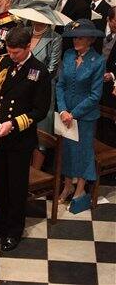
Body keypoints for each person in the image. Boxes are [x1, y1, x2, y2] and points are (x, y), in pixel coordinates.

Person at [0, 26, 51, 251]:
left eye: (16, 53)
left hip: (20, 138)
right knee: (0, 183)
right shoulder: (3, 62)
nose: (12, 56)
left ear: (28, 47)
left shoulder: (38, 72)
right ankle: (1, 223)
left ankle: (14, 230)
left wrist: (13, 123)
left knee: (17, 186)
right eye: (9, 51)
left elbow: (40, 110)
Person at [56, 19, 105, 212]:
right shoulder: (68, 55)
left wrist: (74, 113)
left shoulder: (98, 61)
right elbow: (60, 84)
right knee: (66, 150)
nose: (76, 40)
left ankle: (80, 189)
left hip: (85, 116)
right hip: (64, 113)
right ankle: (67, 185)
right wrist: (62, 109)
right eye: (74, 37)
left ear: (90, 40)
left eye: (80, 37)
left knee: (83, 152)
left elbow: (95, 95)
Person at [9, 0, 65, 134]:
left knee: (40, 133)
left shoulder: (55, 38)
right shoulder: (24, 31)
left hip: (41, 87)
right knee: (18, 126)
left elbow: (52, 68)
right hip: (20, 85)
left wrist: (31, 80)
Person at [98, 7, 116, 147]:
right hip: (95, 81)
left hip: (110, 87)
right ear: (108, 20)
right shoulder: (98, 31)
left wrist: (112, 75)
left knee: (107, 124)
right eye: (115, 21)